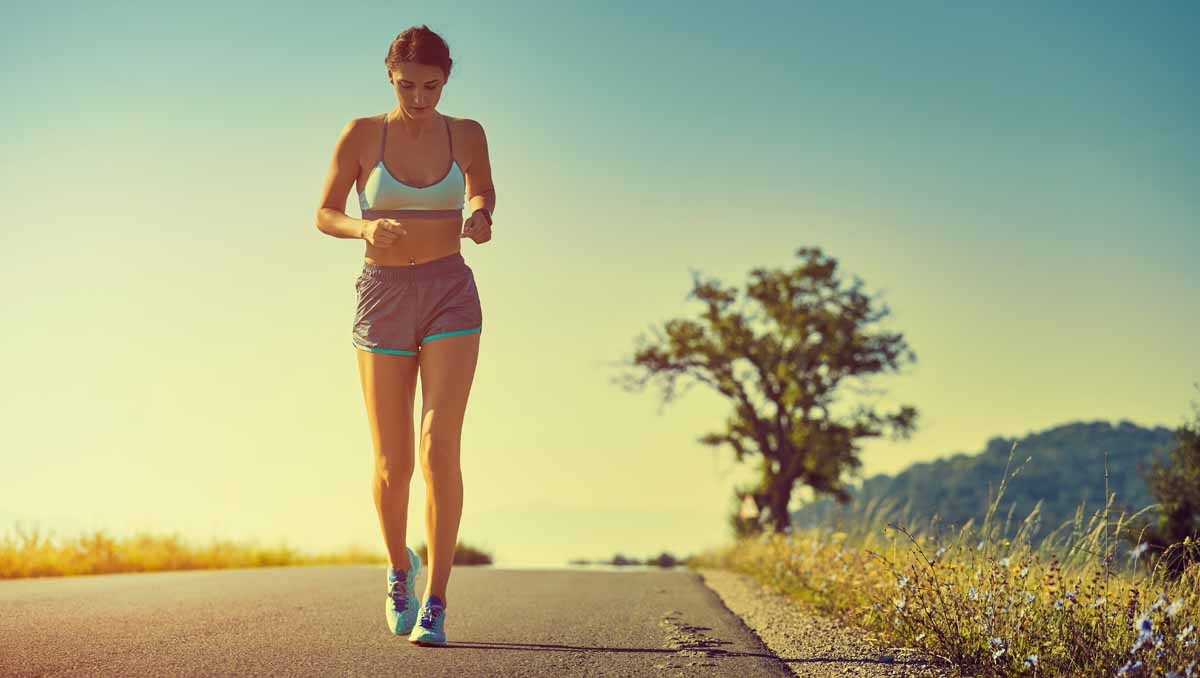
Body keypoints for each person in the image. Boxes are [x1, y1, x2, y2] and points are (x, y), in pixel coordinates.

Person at [315, 24, 494, 647]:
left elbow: (482, 188)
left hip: (450, 293)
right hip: (383, 298)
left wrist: (478, 214)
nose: (420, 97)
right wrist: (363, 232)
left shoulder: (466, 134)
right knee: (393, 464)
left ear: (447, 80)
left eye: (432, 86)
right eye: (408, 85)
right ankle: (400, 569)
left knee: (438, 445)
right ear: (390, 78)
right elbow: (326, 212)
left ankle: (438, 601)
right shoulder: (363, 134)